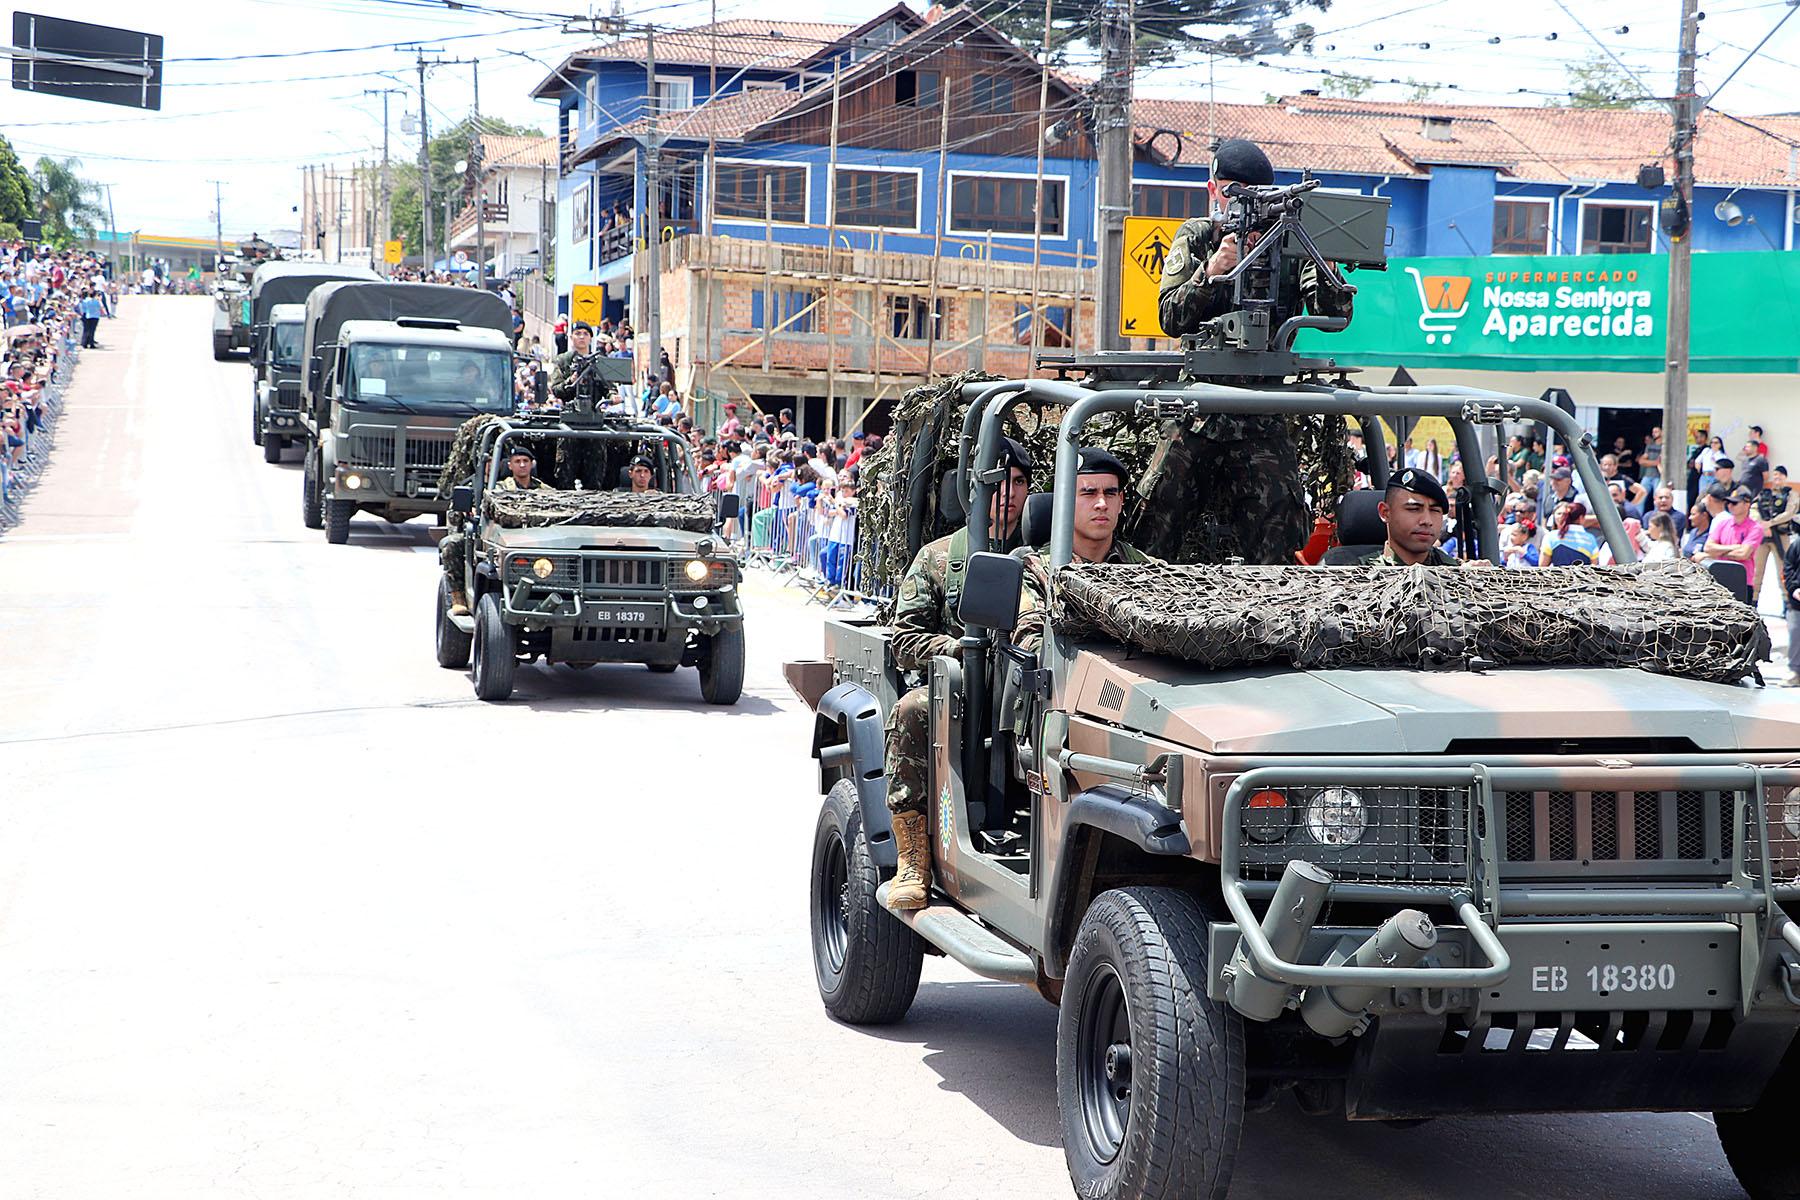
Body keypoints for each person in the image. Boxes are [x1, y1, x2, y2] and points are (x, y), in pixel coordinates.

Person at [882, 438, 1034, 910]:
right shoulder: (940, 558)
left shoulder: (1044, 556)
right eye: (998, 482)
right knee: (913, 710)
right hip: (962, 693)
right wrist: (962, 652)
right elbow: (904, 640)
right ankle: (913, 857)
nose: (1008, 493)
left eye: (1019, 483)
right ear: (975, 488)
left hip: (1027, 691)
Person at [1156, 137, 1352, 338]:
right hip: (1205, 358)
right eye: (1231, 192)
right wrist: (1211, 269)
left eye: (1252, 195)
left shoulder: (1290, 237)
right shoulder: (1198, 236)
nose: (1242, 204)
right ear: (1213, 191)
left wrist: (1326, 266)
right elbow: (1169, 320)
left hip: (1273, 358)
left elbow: (1335, 319)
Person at [1356, 467, 1459, 566]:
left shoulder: (1456, 573)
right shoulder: (1359, 574)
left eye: (1435, 510)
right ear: (1385, 513)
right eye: (1414, 509)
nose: (1427, 520)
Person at [1699, 485, 1765, 598]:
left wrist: (1718, 552)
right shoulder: (1723, 524)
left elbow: (1743, 554)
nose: (1730, 506)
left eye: (1734, 503)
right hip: (1719, 579)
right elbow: (1708, 547)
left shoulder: (1755, 528)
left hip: (1742, 581)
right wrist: (1734, 547)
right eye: (1728, 502)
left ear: (1747, 504)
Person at [550, 322, 610, 407]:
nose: (582, 337)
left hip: (595, 410)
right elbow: (556, 390)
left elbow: (608, 387)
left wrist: (612, 395)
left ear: (590, 339)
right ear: (571, 337)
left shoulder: (598, 361)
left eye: (585, 334)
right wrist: (570, 381)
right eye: (578, 333)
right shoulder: (563, 360)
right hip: (568, 410)